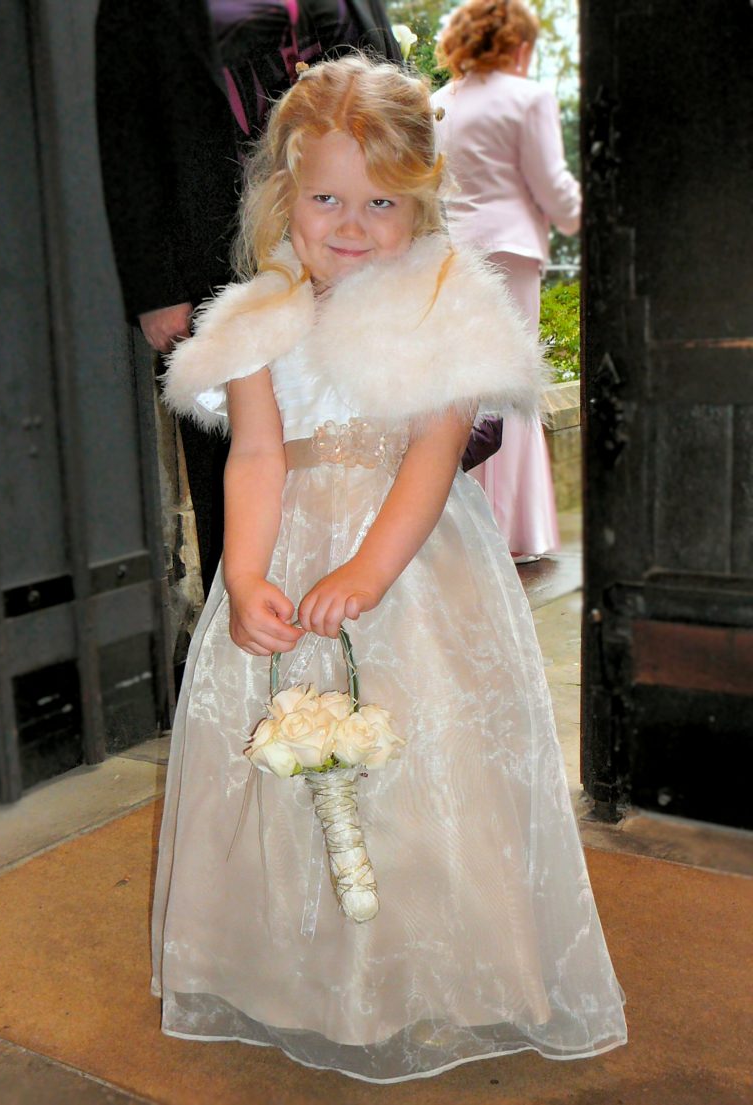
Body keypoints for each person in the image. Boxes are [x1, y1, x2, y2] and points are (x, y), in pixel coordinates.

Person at [151, 55, 626, 1082]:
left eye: (381, 203)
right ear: (285, 194)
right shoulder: (259, 317)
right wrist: (243, 577)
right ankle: (297, 975)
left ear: (421, 205)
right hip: (291, 553)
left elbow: (428, 452)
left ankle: (450, 974)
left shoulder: (446, 306)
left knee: (426, 760)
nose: (352, 224)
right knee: (292, 777)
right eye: (326, 198)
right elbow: (259, 453)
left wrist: (368, 570)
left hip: (412, 564)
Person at [95, 0, 401, 593]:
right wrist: (156, 286)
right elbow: (127, 137)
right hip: (219, 262)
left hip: (358, 246)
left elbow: (391, 94)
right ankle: (248, 610)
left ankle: (374, 597)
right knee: (236, 456)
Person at [432, 0, 581, 561]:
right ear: (518, 43)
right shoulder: (529, 97)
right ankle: (516, 530)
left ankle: (467, 525)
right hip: (512, 253)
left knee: (466, 387)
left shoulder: (437, 104)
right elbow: (552, 185)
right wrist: (585, 217)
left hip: (455, 258)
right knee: (514, 386)